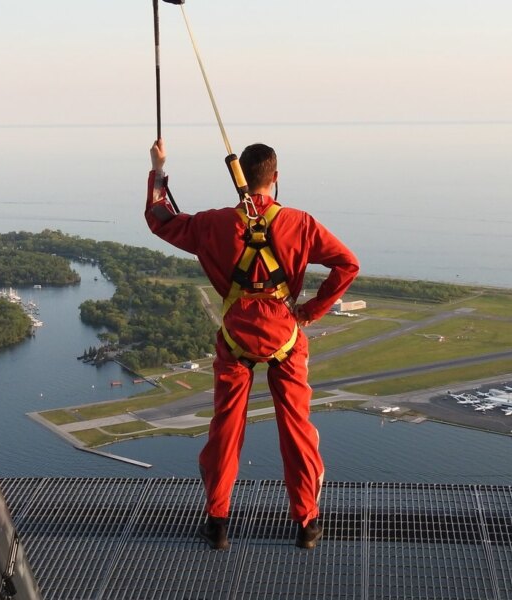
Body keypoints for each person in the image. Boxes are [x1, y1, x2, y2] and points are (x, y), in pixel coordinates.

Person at [144, 138, 359, 550]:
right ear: (276, 179)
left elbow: (160, 219)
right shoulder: (300, 223)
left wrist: (159, 169)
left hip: (235, 339)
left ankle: (219, 522)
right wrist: (310, 311)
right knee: (296, 430)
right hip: (285, 337)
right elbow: (348, 264)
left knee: (226, 429)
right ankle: (307, 524)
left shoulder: (214, 224)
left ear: (240, 178)